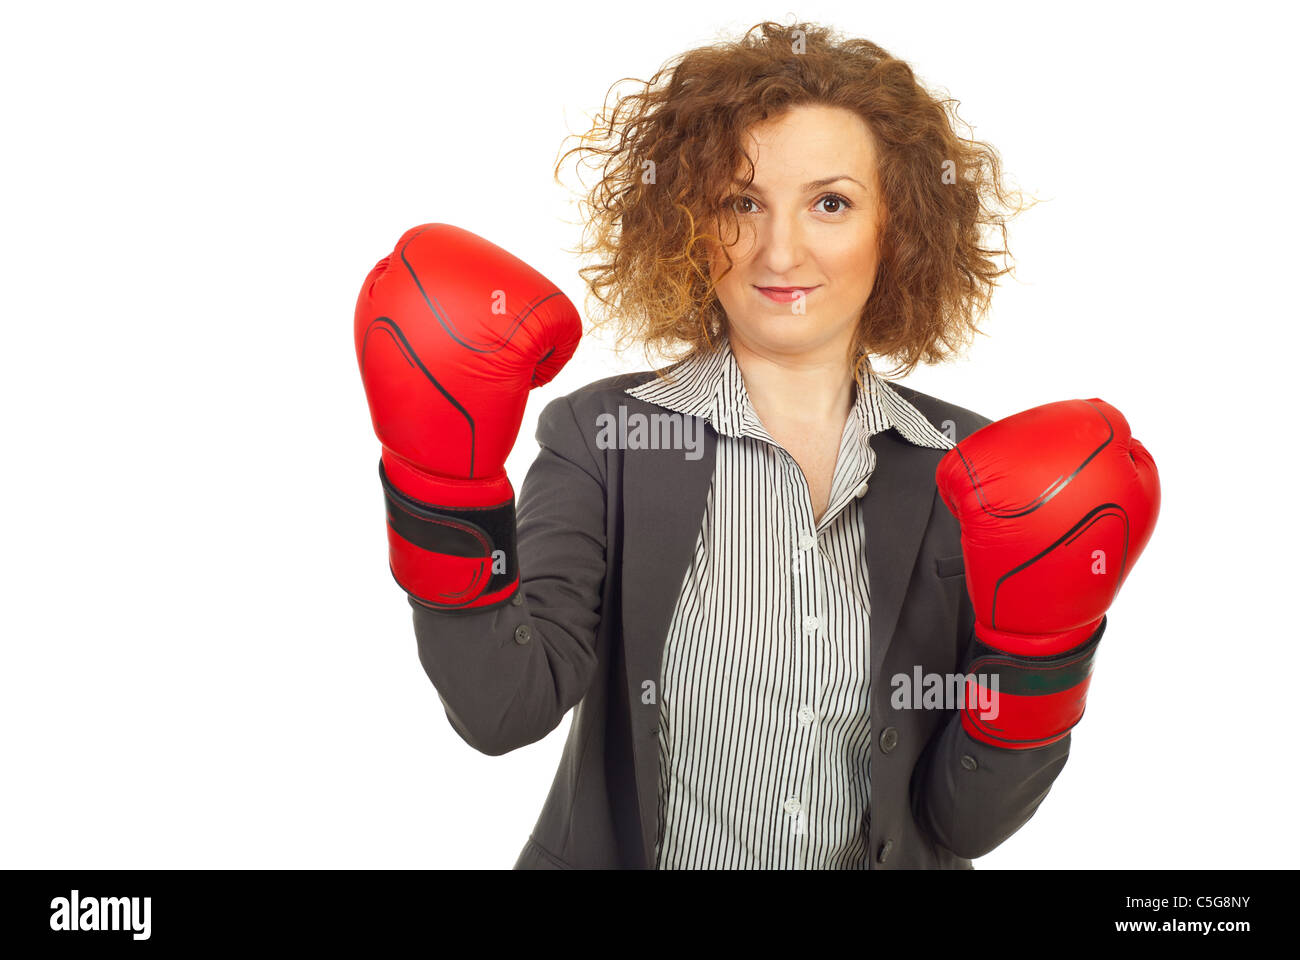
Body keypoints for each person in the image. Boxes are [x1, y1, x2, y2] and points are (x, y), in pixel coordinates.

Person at [353, 20, 1158, 869]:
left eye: (831, 202)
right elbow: (500, 711)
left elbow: (964, 824)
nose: (781, 250)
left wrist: (1044, 654)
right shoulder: (603, 439)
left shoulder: (973, 467)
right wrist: (438, 488)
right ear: (691, 223)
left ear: (900, 226)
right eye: (743, 202)